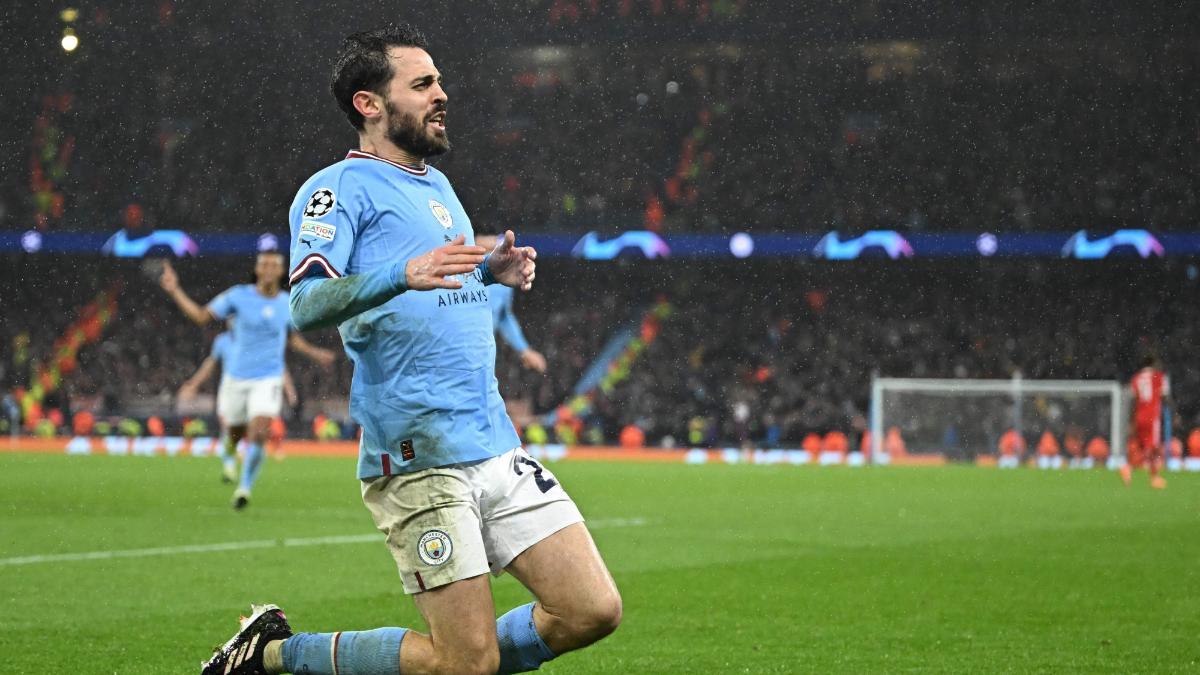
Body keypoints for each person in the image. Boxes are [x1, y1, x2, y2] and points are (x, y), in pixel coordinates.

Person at [200, 24, 620, 675]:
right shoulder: (335, 189)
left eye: (439, 81)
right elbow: (306, 304)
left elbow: (434, 276)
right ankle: (277, 655)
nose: (441, 95)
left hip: (494, 441)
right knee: (468, 663)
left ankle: (453, 660)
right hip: (418, 453)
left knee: (591, 608)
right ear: (370, 103)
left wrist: (489, 269)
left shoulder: (437, 187)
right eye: (422, 84)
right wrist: (405, 273)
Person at [159, 254, 336, 509]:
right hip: (236, 379)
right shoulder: (237, 296)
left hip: (268, 378)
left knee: (260, 432)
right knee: (233, 432)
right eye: (263, 264)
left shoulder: (287, 304)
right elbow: (200, 316)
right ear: (256, 269)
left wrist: (315, 354)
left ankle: (244, 488)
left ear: (281, 271)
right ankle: (229, 462)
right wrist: (175, 290)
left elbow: (292, 339)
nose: (268, 269)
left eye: (273, 265)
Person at [178, 329, 299, 482]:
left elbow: (277, 363)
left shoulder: (257, 339)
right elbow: (210, 363)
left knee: (252, 428)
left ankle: (247, 458)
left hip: (252, 388)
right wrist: (193, 384)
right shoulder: (222, 341)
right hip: (229, 390)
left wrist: (289, 388)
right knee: (228, 428)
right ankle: (230, 465)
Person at [475, 226, 547, 374]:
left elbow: (503, 316)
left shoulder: (502, 278)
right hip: (452, 352)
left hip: (482, 356)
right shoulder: (456, 268)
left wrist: (524, 349)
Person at [1122, 354, 1172, 489]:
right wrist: (1174, 411)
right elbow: (1165, 397)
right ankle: (1155, 478)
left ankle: (1127, 468)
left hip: (1139, 416)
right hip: (1152, 418)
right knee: (1153, 448)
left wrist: (1131, 421)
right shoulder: (1159, 376)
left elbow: (1133, 401)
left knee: (1142, 448)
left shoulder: (1136, 378)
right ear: (1154, 363)